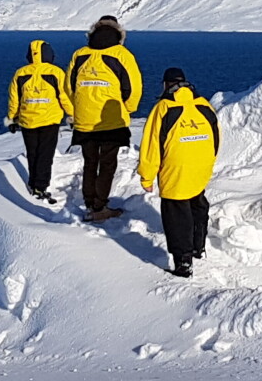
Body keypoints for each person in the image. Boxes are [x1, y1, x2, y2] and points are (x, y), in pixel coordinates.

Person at [137, 67, 220, 278]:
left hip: (175, 168)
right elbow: (216, 137)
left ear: (165, 84)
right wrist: (208, 162)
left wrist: (147, 176)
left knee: (177, 213)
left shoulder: (164, 108)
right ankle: (198, 247)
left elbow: (152, 145)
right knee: (197, 203)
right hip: (201, 166)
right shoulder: (203, 105)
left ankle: (183, 263)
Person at [66, 15, 143, 222]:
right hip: (111, 121)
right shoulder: (122, 55)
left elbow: (69, 87)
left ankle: (89, 202)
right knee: (107, 163)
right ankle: (100, 206)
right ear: (118, 34)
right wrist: (127, 110)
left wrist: (79, 108)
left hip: (84, 121)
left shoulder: (80, 55)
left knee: (90, 162)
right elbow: (133, 88)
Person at [5, 39, 74, 201]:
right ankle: (40, 187)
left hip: (28, 121)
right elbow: (65, 98)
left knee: (33, 153)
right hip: (49, 121)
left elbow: (14, 99)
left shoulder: (21, 73)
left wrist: (12, 118)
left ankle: (33, 183)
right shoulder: (56, 73)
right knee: (45, 154)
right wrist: (72, 117)